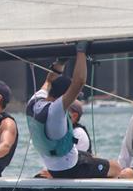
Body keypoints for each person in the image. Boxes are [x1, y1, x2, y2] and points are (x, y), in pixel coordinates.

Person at [26, 45, 121, 178]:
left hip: (52, 166)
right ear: (63, 97)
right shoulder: (56, 111)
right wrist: (81, 51)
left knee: (90, 156)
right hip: (69, 167)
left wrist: (61, 63)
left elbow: (49, 80)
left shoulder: (34, 102)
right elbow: (79, 81)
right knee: (116, 168)